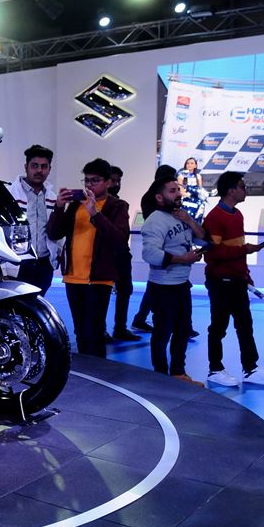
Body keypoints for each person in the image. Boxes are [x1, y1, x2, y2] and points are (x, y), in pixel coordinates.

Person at [47, 158, 130, 358]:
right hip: (73, 276)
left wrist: (95, 213)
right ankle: (87, 375)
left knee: (94, 331)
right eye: (86, 180)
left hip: (99, 277)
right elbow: (54, 233)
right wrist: (59, 207)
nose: (89, 185)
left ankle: (98, 376)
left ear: (109, 182)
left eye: (95, 180)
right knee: (80, 331)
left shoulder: (117, 206)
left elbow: (119, 239)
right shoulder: (77, 204)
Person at [202, 171, 264, 387]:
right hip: (220, 281)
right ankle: (215, 368)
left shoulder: (237, 214)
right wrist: (248, 249)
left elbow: (234, 249)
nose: (246, 190)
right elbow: (213, 253)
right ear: (231, 190)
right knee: (219, 326)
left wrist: (246, 275)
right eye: (243, 186)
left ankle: (250, 367)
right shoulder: (214, 217)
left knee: (245, 325)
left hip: (238, 280)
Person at [141, 177, 206, 387]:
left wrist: (190, 221)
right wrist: (182, 258)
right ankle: (160, 375)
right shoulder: (154, 221)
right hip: (163, 287)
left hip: (181, 284)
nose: (178, 194)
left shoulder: (182, 217)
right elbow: (150, 254)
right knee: (162, 333)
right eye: (172, 191)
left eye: (178, 190)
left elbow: (205, 240)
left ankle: (178, 373)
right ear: (159, 197)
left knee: (182, 331)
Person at [6, 144, 62, 296]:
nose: (39, 170)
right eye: (34, 166)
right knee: (14, 310)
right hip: (18, 263)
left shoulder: (52, 197)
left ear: (49, 169)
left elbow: (56, 230)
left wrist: (56, 255)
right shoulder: (9, 194)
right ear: (26, 167)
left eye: (44, 166)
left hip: (44, 265)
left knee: (37, 308)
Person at [103, 165, 139, 342]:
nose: (116, 184)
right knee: (102, 294)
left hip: (122, 254)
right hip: (106, 255)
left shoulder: (120, 204)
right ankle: (100, 330)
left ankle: (120, 327)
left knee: (125, 291)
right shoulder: (101, 204)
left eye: (118, 181)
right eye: (113, 180)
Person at [176, 157, 207, 223]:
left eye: (192, 163)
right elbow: (181, 190)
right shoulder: (181, 176)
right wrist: (187, 194)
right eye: (188, 163)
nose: (189, 165)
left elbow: (200, 189)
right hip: (185, 200)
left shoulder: (198, 176)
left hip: (197, 200)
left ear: (195, 165)